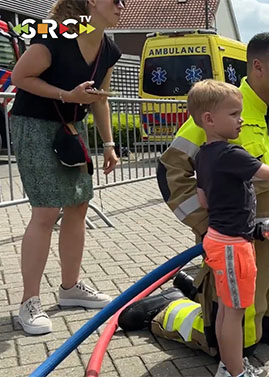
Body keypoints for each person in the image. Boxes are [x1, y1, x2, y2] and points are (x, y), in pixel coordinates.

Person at [153, 32, 269, 357]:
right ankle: (167, 313)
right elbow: (171, 172)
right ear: (258, 67)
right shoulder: (222, 111)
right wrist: (208, 226)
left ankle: (199, 301)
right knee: (232, 344)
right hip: (238, 252)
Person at [191, 80, 269, 377]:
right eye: (234, 114)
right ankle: (236, 372)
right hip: (234, 246)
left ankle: (230, 365)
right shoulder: (230, 154)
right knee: (233, 314)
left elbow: (203, 198)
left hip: (217, 240)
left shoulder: (203, 155)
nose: (241, 120)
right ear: (209, 119)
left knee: (226, 309)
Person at [9, 0, 123, 335]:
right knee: (46, 211)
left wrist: (109, 144)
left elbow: (100, 97)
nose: (122, 5)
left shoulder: (109, 49)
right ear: (90, 2)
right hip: (34, 126)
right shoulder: (57, 35)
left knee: (78, 205)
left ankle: (70, 288)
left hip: (72, 129)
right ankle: (29, 301)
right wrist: (65, 95)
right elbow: (20, 76)